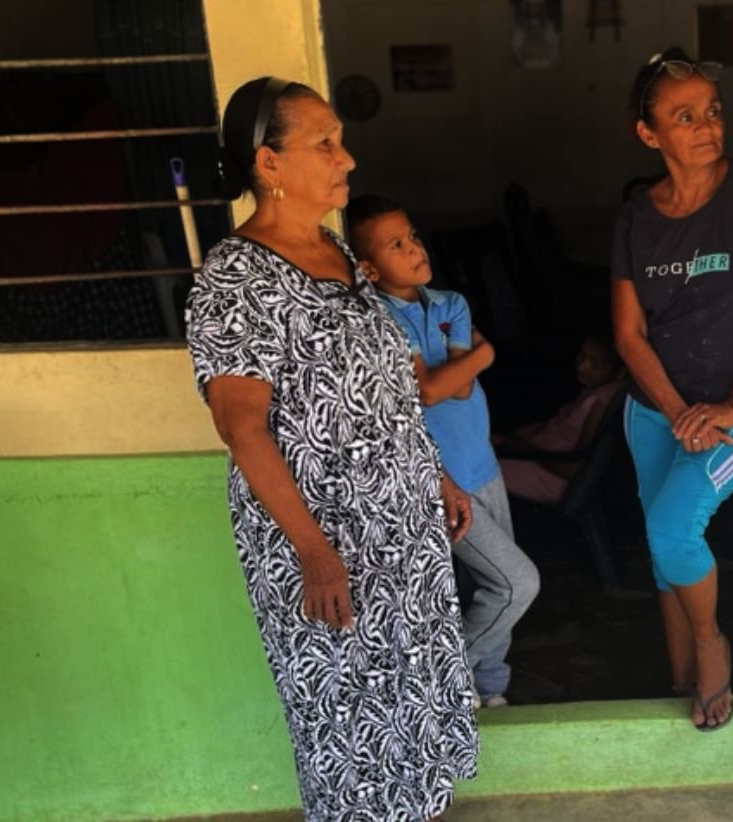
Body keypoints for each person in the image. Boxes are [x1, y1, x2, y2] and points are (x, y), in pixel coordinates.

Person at [185, 77, 477, 821]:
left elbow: (383, 385)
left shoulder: (338, 252)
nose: (346, 159)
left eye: (341, 140)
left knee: (413, 697)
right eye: (325, 144)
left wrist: (435, 475)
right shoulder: (235, 278)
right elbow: (242, 427)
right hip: (327, 539)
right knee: (349, 716)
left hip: (400, 527)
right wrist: (313, 551)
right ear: (269, 163)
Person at [612, 48, 733, 731]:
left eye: (712, 111)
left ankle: (710, 644)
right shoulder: (637, 217)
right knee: (663, 550)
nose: (706, 126)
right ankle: (680, 679)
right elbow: (630, 334)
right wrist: (675, 411)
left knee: (673, 529)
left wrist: (731, 405)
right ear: (649, 133)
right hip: (652, 410)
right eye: (684, 116)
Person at [345, 194, 541, 709]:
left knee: (494, 586)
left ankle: (491, 688)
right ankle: (447, 674)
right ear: (368, 268)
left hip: (483, 468)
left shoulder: (450, 303)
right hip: (440, 479)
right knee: (516, 583)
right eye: (396, 245)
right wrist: (484, 354)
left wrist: (465, 366)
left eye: (412, 236)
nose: (415, 249)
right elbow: (431, 390)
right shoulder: (382, 320)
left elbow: (456, 385)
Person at [496, 334, 627, 504]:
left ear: (620, 373)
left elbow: (575, 468)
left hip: (549, 473)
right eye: (582, 355)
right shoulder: (595, 391)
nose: (583, 366)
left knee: (472, 472)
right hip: (534, 452)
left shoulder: (603, 401)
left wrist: (523, 449)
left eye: (596, 364)